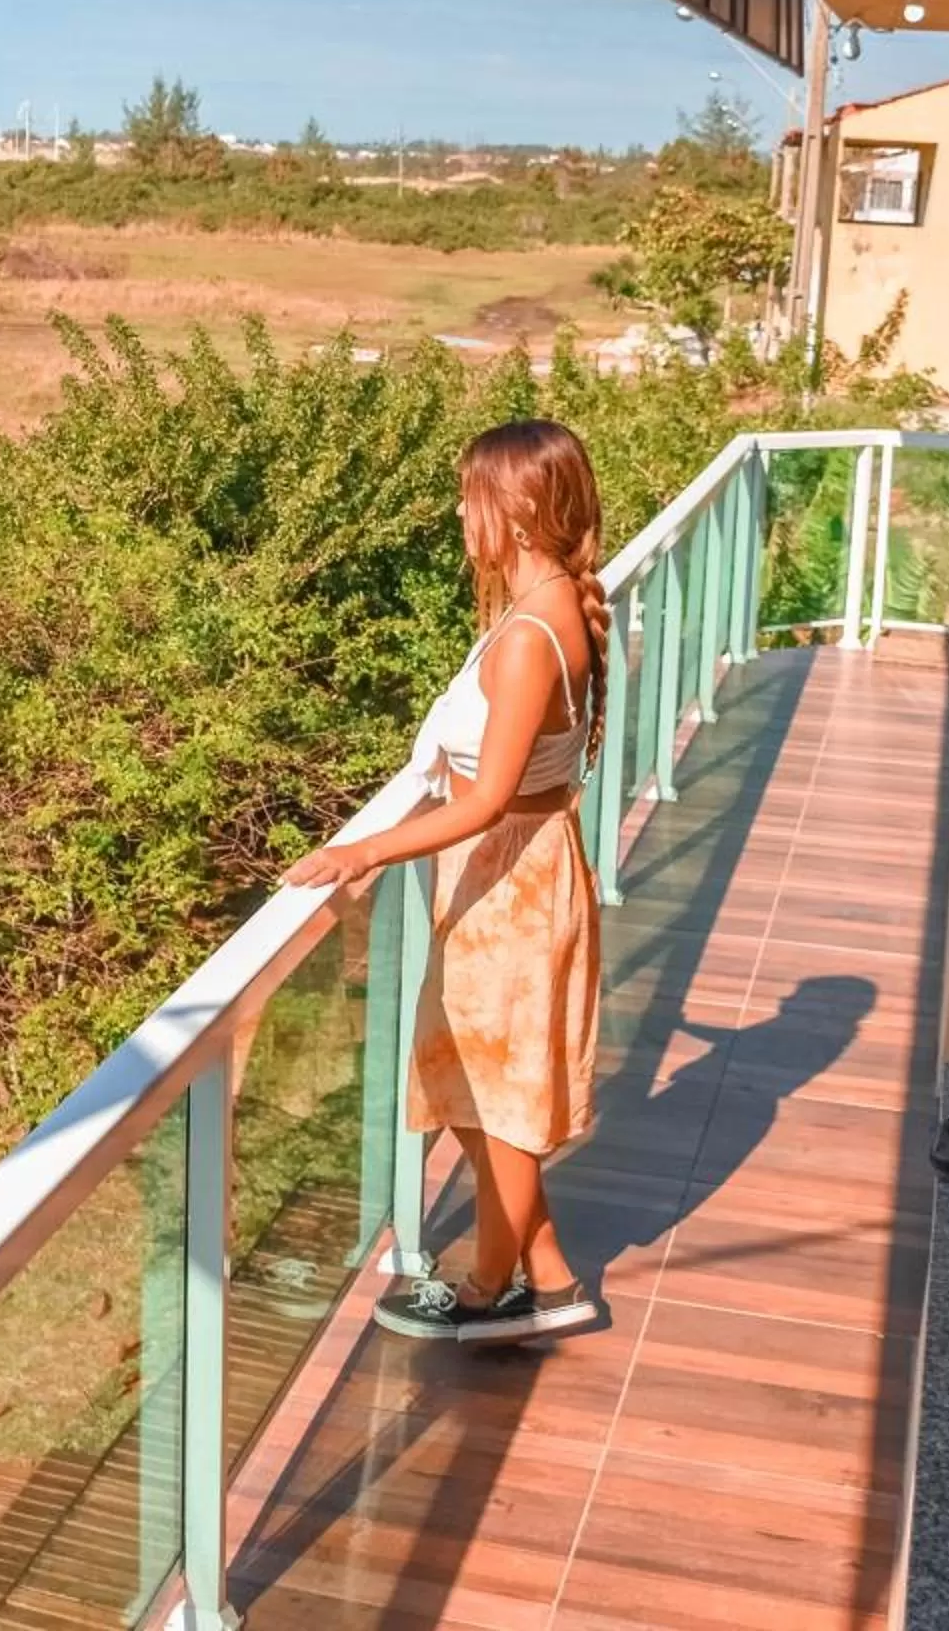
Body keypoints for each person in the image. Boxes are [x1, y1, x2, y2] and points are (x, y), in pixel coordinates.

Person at [285, 419, 609, 1346]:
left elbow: (488, 800)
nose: (460, 512)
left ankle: (494, 1289)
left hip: (508, 884)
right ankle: (546, 1281)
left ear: (514, 511)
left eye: (472, 496)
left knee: (495, 1100)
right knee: (474, 1087)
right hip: (507, 876)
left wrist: (362, 851)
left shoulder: (527, 638)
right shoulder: (544, 611)